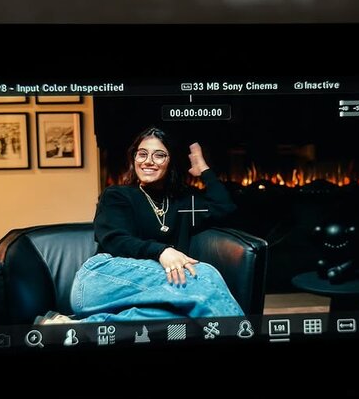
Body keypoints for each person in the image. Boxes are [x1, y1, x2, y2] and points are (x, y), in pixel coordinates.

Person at [67, 125, 245, 322]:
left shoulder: (183, 202)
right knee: (202, 274)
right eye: (142, 154)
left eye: (159, 155)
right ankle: (244, 336)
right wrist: (162, 251)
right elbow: (114, 239)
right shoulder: (117, 195)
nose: (148, 161)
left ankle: (79, 326)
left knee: (181, 316)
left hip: (151, 291)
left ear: (171, 161)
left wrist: (203, 169)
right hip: (100, 279)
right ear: (134, 158)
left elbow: (225, 207)